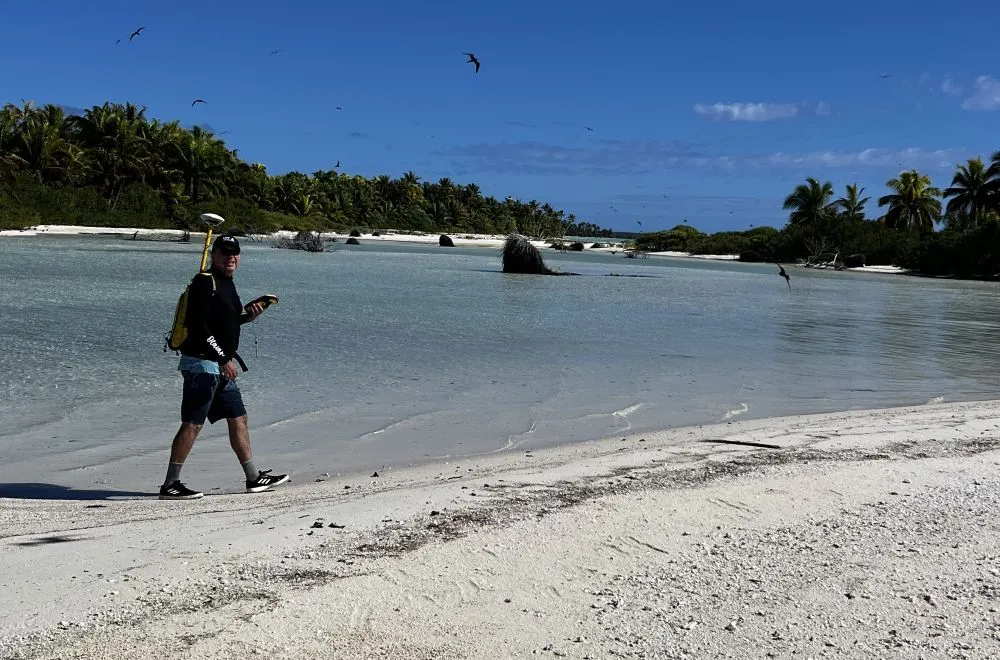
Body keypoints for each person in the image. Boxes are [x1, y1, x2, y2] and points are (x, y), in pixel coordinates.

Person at [160, 234, 289, 500]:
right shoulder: (204, 282)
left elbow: (224, 325)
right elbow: (198, 327)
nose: (231, 256)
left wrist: (250, 317)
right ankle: (170, 484)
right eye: (224, 252)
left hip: (218, 366)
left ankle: (254, 478)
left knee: (238, 418)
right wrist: (222, 359)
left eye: (235, 253)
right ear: (214, 256)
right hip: (202, 365)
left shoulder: (227, 284)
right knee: (192, 424)